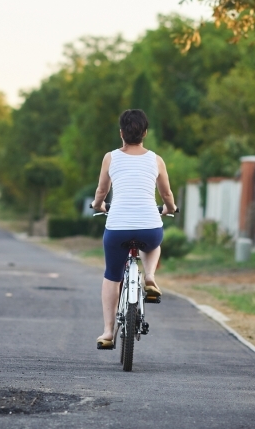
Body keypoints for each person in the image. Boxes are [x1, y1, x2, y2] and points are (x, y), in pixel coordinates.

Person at [91, 109, 176, 350]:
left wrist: (99, 205)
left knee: (112, 275)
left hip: (117, 228)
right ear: (145, 133)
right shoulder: (156, 159)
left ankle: (108, 333)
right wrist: (169, 208)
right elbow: (166, 193)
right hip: (149, 227)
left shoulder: (111, 158)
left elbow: (101, 191)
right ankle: (149, 276)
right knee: (153, 243)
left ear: (121, 133)